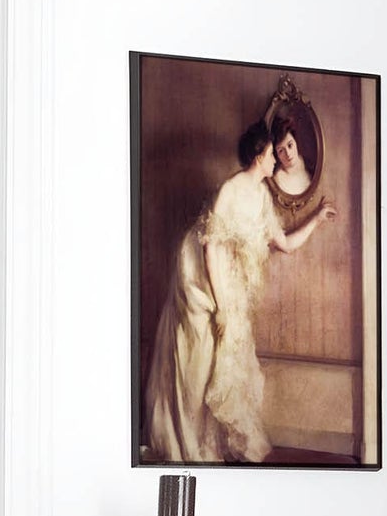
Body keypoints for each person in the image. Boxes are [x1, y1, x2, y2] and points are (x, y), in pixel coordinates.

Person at [143, 122, 337, 464]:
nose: (277, 160)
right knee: (198, 357)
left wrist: (318, 219)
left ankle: (207, 443)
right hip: (202, 277)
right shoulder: (231, 189)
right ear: (260, 155)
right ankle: (185, 441)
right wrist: (219, 305)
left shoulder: (261, 195)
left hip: (227, 279)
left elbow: (286, 244)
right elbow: (209, 248)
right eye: (272, 154)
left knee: (225, 358)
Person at [270, 113, 313, 199]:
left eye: (290, 145)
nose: (288, 153)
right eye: (281, 151)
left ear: (296, 142)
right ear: (276, 155)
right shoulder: (279, 179)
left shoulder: (309, 165)